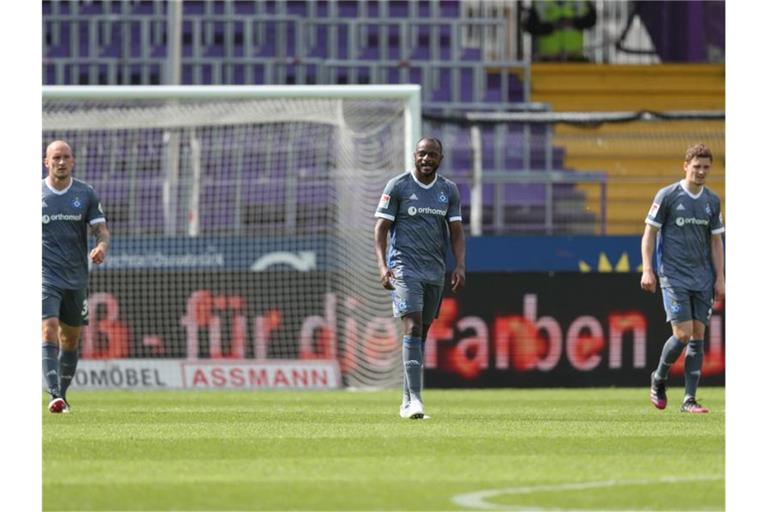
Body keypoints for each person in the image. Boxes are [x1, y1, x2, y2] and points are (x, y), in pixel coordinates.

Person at [374, 137, 466, 419]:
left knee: (421, 334)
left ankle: (406, 401)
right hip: (403, 268)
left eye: (433, 155)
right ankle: (415, 399)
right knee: (412, 328)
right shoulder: (398, 186)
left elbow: (456, 233)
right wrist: (382, 266)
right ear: (415, 156)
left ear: (441, 158)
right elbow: (381, 229)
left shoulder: (447, 190)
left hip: (434, 271)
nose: (427, 159)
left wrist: (459, 265)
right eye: (422, 154)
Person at [641, 143, 725, 414]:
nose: (701, 171)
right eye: (696, 166)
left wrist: (720, 277)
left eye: (706, 167)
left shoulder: (712, 201)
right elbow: (649, 234)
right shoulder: (668, 196)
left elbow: (716, 241)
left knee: (698, 336)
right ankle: (659, 377)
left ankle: (689, 399)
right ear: (685, 166)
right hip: (674, 275)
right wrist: (647, 268)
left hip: (703, 277)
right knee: (683, 334)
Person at [42, 140, 110, 413]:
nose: (61, 162)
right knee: (48, 329)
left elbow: (101, 231)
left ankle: (63, 396)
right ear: (46, 162)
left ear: (73, 161)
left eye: (65, 157)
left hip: (76, 277)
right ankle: (54, 395)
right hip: (43, 275)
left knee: (70, 338)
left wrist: (102, 247)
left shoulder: (85, 193)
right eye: (56, 157)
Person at [524, 0, 596, 62]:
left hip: (575, 58)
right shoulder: (540, 1)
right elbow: (530, 26)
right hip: (548, 58)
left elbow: (592, 19)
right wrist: (550, 27)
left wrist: (573, 23)